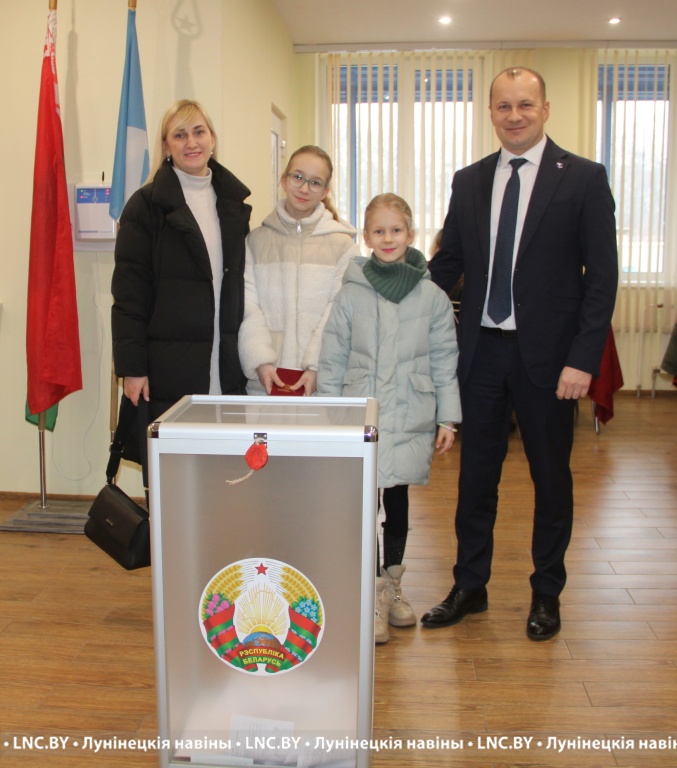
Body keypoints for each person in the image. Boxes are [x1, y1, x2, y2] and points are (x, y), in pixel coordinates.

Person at [421, 67, 618, 641]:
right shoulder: (469, 180)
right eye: (503, 106)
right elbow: (448, 265)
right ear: (490, 112)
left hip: (552, 364)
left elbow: (602, 279)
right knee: (475, 480)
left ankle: (546, 592)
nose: (514, 116)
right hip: (480, 356)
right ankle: (469, 586)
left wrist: (583, 360)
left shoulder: (583, 178)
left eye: (525, 105)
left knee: (551, 480)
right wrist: (391, 290)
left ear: (545, 109)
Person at [317, 193, 461, 643]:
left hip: (409, 413)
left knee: (396, 502)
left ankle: (393, 585)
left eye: (396, 230)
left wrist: (448, 418)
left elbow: (444, 359)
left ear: (411, 234)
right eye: (378, 231)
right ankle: (371, 593)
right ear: (366, 237)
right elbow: (332, 358)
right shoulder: (350, 294)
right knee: (364, 505)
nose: (388, 238)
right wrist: (329, 415)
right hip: (362, 415)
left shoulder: (432, 297)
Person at [112, 100, 252, 426]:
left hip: (225, 364)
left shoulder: (233, 204)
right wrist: (133, 368)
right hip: (168, 368)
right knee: (177, 457)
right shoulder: (145, 207)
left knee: (222, 457)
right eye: (180, 135)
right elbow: (130, 297)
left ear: (212, 139)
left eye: (199, 132)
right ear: (166, 146)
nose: (191, 143)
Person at [238, 146, 361, 396]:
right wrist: (261, 361)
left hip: (321, 383)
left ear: (325, 191)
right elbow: (248, 306)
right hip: (265, 382)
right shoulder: (255, 241)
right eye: (297, 177)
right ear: (284, 180)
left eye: (315, 182)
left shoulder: (344, 247)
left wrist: (316, 366)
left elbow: (338, 314)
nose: (304, 188)